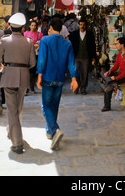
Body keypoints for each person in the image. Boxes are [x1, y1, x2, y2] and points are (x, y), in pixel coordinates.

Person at [0, 12, 36, 154]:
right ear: (23, 28)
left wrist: (0, 69)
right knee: (17, 109)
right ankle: (13, 134)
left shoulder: (4, 40)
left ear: (10, 27)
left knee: (12, 110)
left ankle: (17, 143)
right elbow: (32, 63)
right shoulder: (29, 42)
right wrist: (22, 69)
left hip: (8, 76)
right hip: (23, 78)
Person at [36, 17, 78, 150]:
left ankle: (55, 129)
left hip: (48, 77)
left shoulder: (45, 40)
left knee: (45, 106)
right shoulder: (67, 43)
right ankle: (50, 132)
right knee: (54, 106)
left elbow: (41, 59)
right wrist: (74, 79)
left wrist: (39, 76)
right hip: (60, 78)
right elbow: (71, 62)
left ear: (50, 27)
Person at [100, 36, 125, 112]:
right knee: (103, 72)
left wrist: (116, 78)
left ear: (122, 45)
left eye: (117, 44)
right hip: (119, 73)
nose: (116, 45)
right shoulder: (119, 55)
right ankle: (110, 81)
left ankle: (107, 106)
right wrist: (110, 71)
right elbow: (115, 66)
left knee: (109, 85)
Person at [69, 18, 96, 95]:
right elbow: (71, 46)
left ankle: (83, 89)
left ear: (86, 26)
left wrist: (93, 57)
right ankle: (76, 87)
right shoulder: (74, 34)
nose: (82, 26)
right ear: (78, 25)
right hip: (76, 57)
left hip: (86, 57)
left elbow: (93, 46)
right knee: (75, 72)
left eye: (84, 25)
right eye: (81, 25)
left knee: (85, 73)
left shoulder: (90, 34)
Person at [24, 19, 43, 92]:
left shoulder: (40, 34)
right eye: (32, 25)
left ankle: (32, 86)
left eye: (35, 25)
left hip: (36, 54)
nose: (33, 27)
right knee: (27, 71)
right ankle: (27, 87)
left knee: (34, 71)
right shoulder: (25, 33)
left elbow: (40, 44)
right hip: (27, 54)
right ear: (29, 26)